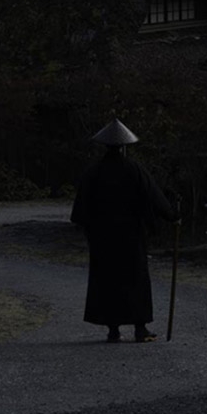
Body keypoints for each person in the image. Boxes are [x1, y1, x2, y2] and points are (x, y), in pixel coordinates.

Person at [70, 118, 177, 343]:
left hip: (102, 236)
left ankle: (113, 329)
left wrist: (90, 227)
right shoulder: (133, 169)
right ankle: (140, 327)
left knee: (107, 280)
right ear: (125, 146)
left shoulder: (93, 171)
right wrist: (171, 216)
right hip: (131, 234)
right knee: (135, 278)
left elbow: (80, 209)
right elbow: (153, 196)